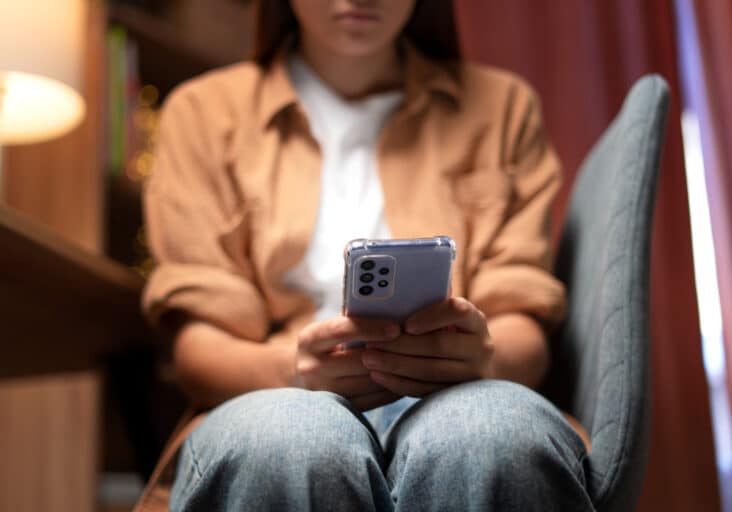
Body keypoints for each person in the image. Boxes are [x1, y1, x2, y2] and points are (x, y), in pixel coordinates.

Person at [137, 0, 593, 510]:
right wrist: (293, 370)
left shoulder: (502, 106)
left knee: (492, 433)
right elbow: (198, 347)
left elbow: (524, 320)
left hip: (460, 390)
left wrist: (482, 356)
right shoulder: (202, 112)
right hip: (273, 390)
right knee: (290, 439)